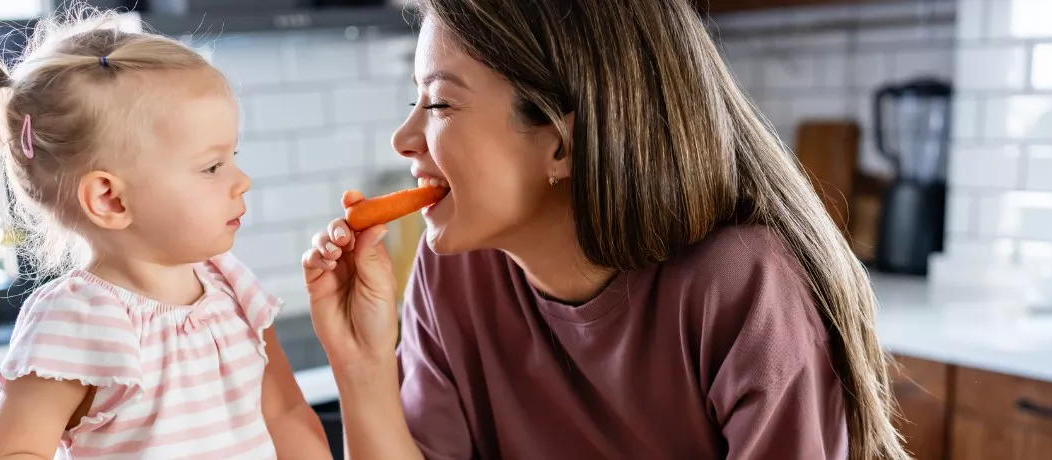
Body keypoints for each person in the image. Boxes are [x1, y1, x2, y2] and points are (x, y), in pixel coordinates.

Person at [302, 0, 908, 459]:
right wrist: (361, 364)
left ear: (562, 143)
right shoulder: (454, 270)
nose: (404, 138)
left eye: (439, 104)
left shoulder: (743, 289)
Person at [0, 8, 332, 460]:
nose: (241, 181)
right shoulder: (76, 318)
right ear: (110, 199)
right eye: (211, 167)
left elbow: (285, 414)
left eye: (233, 157)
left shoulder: (233, 287)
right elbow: (14, 452)